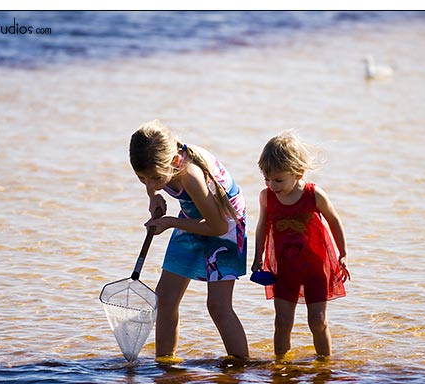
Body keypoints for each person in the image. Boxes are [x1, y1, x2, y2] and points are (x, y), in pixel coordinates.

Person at [129, 119, 249, 359]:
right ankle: (166, 365)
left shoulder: (191, 175)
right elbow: (152, 178)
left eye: (155, 178)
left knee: (218, 307)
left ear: (173, 162)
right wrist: (153, 196)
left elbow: (216, 226)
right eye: (143, 179)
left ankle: (241, 367)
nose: (149, 183)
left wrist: (172, 222)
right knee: (164, 298)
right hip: (192, 215)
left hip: (225, 226)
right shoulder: (161, 164)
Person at [251, 130, 351, 358]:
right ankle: (280, 366)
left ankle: (325, 365)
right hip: (284, 269)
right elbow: (262, 226)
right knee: (282, 321)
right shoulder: (267, 197)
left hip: (316, 267)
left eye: (278, 180)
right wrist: (257, 256)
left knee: (318, 321)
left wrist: (343, 253)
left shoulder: (313, 194)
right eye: (266, 179)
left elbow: (334, 220)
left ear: (298, 172)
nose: (271, 185)